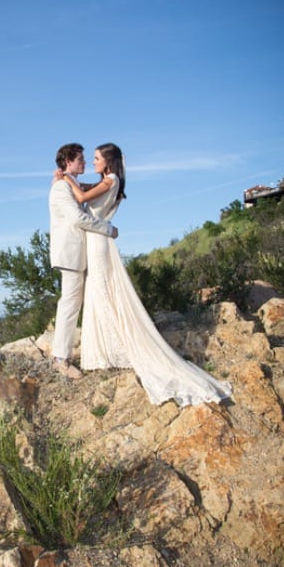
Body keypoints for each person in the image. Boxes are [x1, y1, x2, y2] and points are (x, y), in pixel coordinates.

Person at [58, 142, 233, 406]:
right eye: (90, 158)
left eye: (96, 158)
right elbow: (83, 191)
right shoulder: (105, 180)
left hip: (99, 240)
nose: (93, 162)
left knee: (104, 291)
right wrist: (69, 179)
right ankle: (102, 350)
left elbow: (82, 198)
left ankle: (112, 348)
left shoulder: (112, 179)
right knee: (99, 291)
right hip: (94, 240)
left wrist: (67, 179)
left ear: (109, 161)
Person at [48, 142, 119, 379]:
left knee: (73, 302)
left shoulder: (71, 184)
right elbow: (78, 218)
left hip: (78, 252)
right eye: (80, 159)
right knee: (69, 303)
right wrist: (108, 229)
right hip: (70, 253)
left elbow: (93, 190)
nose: (85, 162)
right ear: (68, 161)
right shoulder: (61, 187)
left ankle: (69, 353)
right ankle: (60, 358)